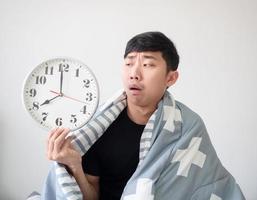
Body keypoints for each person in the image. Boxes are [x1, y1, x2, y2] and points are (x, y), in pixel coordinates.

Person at [45, 32, 245, 200]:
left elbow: (210, 187)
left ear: (171, 77)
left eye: (148, 65)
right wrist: (74, 165)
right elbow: (92, 196)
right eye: (129, 63)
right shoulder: (98, 127)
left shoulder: (188, 127)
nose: (134, 73)